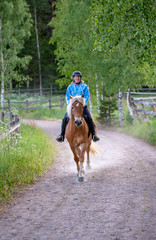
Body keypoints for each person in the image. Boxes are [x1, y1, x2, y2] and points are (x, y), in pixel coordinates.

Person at [56, 70, 100, 142]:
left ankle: (94, 135)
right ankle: (62, 135)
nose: (77, 78)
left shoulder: (84, 87)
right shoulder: (69, 87)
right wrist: (70, 104)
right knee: (65, 119)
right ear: (73, 78)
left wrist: (83, 104)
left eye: (78, 77)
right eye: (76, 77)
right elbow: (67, 97)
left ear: (80, 78)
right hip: (73, 107)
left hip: (82, 106)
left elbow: (87, 96)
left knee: (89, 117)